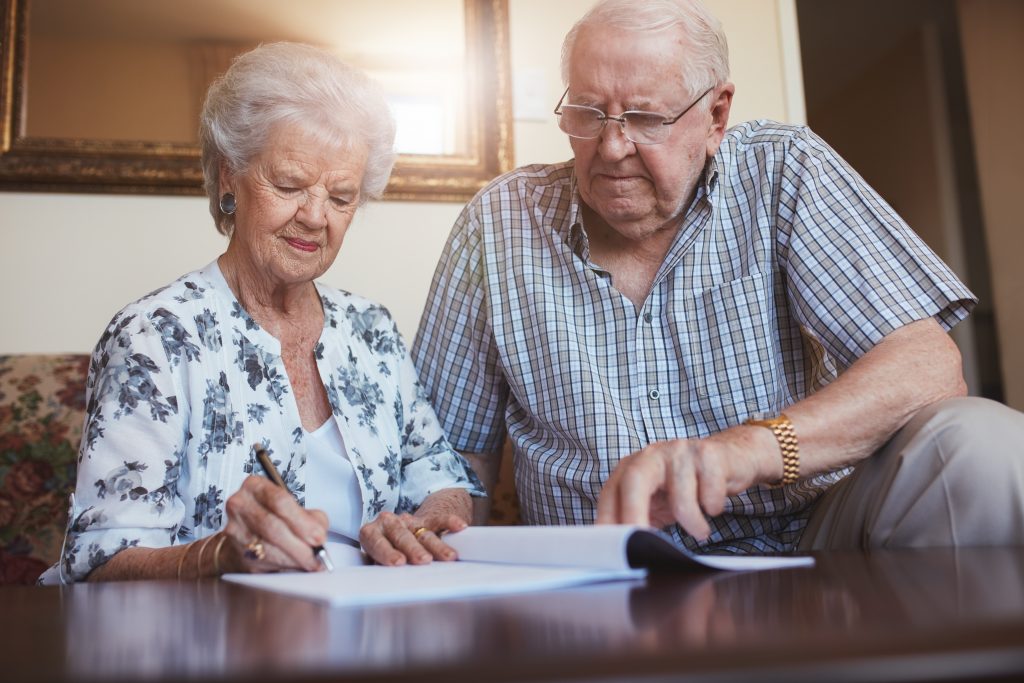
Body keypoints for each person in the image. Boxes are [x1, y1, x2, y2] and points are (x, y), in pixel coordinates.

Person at [412, 0, 1024, 554]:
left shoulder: (783, 168)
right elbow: (447, 449)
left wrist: (749, 450)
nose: (613, 145)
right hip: (599, 569)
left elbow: (926, 366)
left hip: (811, 535)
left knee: (982, 443)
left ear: (717, 115)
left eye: (646, 117)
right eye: (588, 113)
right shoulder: (497, 221)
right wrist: (441, 512)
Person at [41, 42, 483, 584]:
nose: (316, 217)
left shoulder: (372, 330)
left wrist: (436, 519)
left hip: (367, 629)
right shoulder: (155, 336)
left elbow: (438, 473)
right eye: (290, 184)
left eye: (341, 197)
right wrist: (219, 556)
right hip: (213, 639)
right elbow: (99, 560)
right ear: (230, 177)